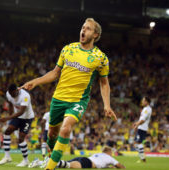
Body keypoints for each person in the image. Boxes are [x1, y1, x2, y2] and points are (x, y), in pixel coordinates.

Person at [21, 18, 117, 170]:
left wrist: (107, 105)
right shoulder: (68, 49)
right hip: (58, 98)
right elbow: (55, 73)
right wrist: (36, 82)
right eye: (82, 28)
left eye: (88, 29)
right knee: (52, 134)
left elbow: (104, 83)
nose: (83, 31)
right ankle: (52, 157)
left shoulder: (101, 58)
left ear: (96, 35)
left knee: (65, 129)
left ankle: (49, 167)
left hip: (78, 101)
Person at [0, 84, 34, 167]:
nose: (12, 96)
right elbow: (10, 104)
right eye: (10, 94)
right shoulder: (8, 94)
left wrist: (6, 118)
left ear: (17, 90)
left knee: (21, 138)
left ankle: (26, 161)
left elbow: (21, 112)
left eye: (13, 94)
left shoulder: (25, 96)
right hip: (17, 117)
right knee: (7, 132)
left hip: (27, 118)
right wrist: (9, 117)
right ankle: (7, 157)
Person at [29, 146, 125, 169]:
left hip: (83, 158)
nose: (112, 154)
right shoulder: (109, 157)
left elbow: (103, 164)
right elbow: (119, 165)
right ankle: (51, 162)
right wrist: (122, 167)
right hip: (88, 162)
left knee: (64, 163)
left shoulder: (100, 155)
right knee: (68, 165)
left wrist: (108, 167)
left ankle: (39, 162)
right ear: (108, 152)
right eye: (111, 152)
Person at [132, 96, 152, 163]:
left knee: (138, 142)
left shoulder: (147, 109)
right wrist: (137, 124)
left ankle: (143, 159)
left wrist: (137, 124)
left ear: (147, 102)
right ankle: (142, 157)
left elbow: (143, 120)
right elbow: (141, 119)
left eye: (143, 101)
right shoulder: (145, 109)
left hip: (142, 128)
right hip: (141, 127)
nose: (142, 102)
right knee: (135, 143)